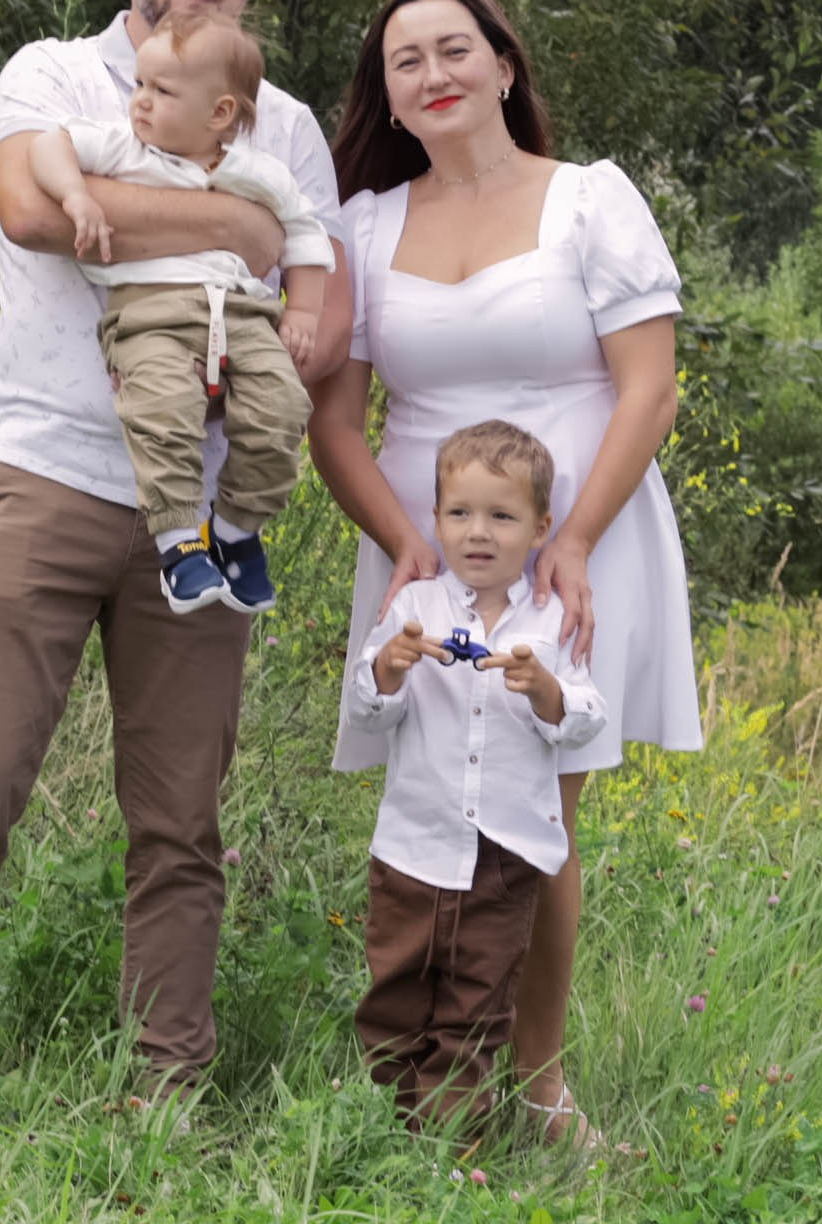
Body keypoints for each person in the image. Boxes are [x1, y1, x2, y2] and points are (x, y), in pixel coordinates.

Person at [0, 0, 349, 1108]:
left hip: (200, 505)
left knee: (181, 818)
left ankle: (167, 1083)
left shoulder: (283, 123)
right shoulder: (53, 74)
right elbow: (33, 212)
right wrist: (232, 230)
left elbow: (321, 296)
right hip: (47, 473)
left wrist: (224, 236)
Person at [308, 0, 699, 1147]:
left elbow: (651, 383)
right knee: (437, 805)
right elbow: (336, 423)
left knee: (540, 810)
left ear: (504, 64)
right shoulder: (365, 223)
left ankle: (539, 1086)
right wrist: (402, 540)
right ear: (389, 93)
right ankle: (429, 1071)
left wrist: (574, 535)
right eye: (404, 62)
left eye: (453, 49)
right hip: (432, 535)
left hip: (579, 532)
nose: (433, 75)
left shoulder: (589, 199)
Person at [345, 421, 606, 1131]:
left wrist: (546, 689)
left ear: (540, 526)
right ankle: (385, 1126)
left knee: (479, 1002)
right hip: (413, 850)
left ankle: (450, 1144)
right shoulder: (414, 607)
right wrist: (386, 670)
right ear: (435, 519)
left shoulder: (553, 617)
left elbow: (585, 716)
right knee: (395, 995)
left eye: (502, 516)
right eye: (459, 514)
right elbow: (367, 713)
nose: (477, 533)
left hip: (503, 859)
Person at [27, 11, 332, 612]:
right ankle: (179, 543)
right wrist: (75, 193)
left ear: (219, 113)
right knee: (164, 410)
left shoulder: (259, 174)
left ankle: (236, 531)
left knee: (283, 409)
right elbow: (49, 144)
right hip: (150, 316)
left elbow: (305, 235)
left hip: (244, 316)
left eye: (160, 91)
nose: (139, 102)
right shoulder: (123, 149)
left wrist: (305, 312)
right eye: (139, 84)